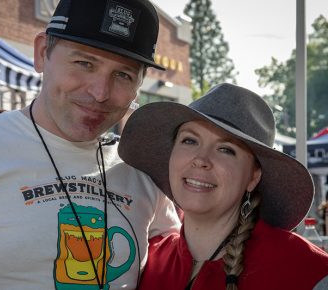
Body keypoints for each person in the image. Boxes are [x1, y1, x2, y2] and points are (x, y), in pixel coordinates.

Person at [0, 0, 180, 289]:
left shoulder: (141, 170)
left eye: (123, 75)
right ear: (42, 53)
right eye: (84, 63)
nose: (100, 93)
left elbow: (181, 259)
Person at [118, 83, 328, 290]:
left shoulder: (309, 271)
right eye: (190, 140)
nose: (201, 159)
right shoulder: (144, 261)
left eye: (226, 149)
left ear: (253, 177)